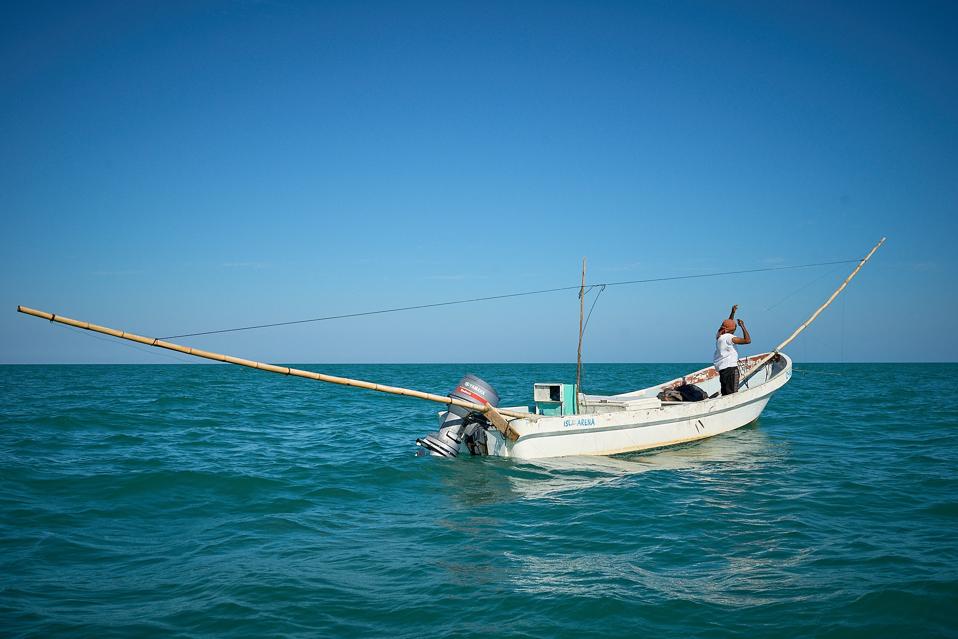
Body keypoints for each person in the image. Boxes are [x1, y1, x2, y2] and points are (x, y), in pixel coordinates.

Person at [714, 304, 751, 396]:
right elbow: (747, 340)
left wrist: (733, 312)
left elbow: (728, 323)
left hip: (723, 370)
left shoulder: (719, 336)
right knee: (732, 395)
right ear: (733, 330)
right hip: (731, 370)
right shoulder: (729, 338)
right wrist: (742, 326)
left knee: (725, 394)